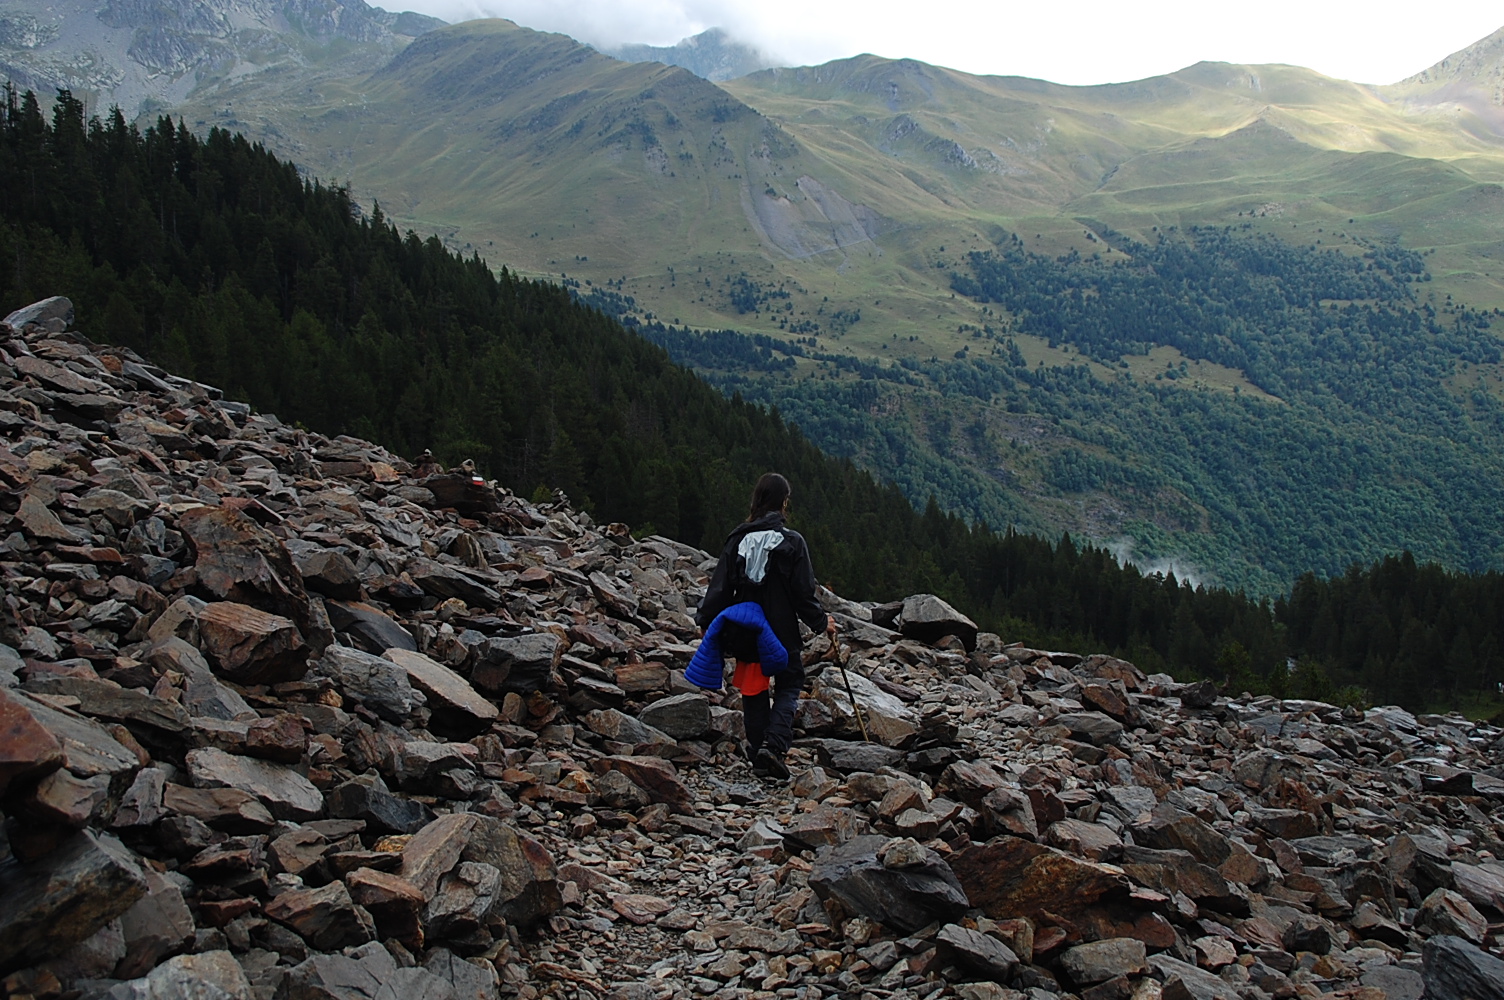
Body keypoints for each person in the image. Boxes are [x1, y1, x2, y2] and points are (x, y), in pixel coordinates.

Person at [697, 472, 835, 779]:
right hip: (782, 631)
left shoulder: (737, 539)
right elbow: (803, 594)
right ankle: (774, 748)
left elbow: (720, 587)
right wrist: (822, 622)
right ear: (784, 502)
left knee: (754, 688)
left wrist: (706, 621)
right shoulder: (793, 542)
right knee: (790, 683)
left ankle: (759, 752)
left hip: (747, 629)